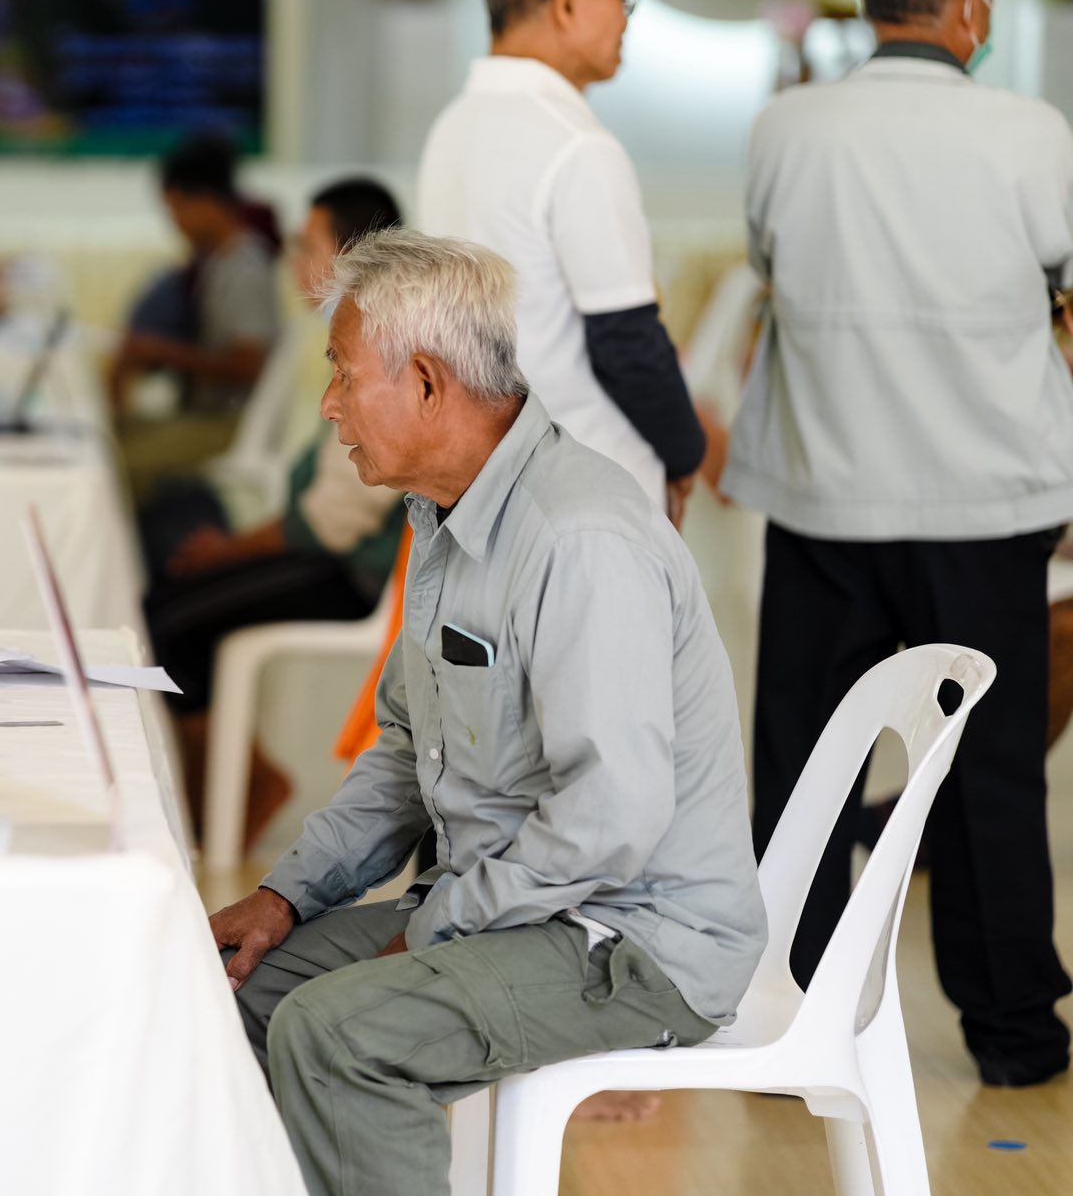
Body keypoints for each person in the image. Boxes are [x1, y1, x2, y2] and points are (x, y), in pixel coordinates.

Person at [211, 229, 765, 1196]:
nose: (330, 405)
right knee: (240, 993)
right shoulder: (444, 517)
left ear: (426, 382)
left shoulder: (579, 539)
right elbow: (402, 753)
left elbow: (611, 822)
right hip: (514, 902)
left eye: (342, 375)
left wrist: (436, 929)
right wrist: (287, 896)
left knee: (343, 1036)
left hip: (629, 937)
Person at [726, 0, 1073, 1087]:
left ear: (872, 0)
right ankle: (1012, 1033)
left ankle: (797, 1015)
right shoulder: (1029, 133)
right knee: (985, 766)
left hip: (823, 495)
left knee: (805, 758)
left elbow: (771, 269)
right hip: (984, 504)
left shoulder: (784, 128)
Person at [139, 177, 408, 849]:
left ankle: (240, 790)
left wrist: (229, 552)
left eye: (306, 246)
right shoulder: (354, 333)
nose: (294, 263)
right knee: (168, 603)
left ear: (351, 255)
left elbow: (332, 519)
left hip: (353, 573)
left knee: (170, 620)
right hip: (326, 550)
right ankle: (225, 785)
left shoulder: (384, 346)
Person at [417, 0, 704, 525]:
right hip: (590, 492)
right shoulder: (576, 143)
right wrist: (685, 455)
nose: (627, 18)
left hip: (479, 484)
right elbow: (626, 343)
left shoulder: (450, 128)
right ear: (569, 1)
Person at [112, 133, 283, 496]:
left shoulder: (245, 266)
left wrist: (161, 352)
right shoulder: (214, 261)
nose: (173, 221)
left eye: (175, 208)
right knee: (105, 438)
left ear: (205, 202)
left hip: (227, 423)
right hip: (206, 413)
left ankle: (134, 549)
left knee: (115, 462)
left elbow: (248, 365)